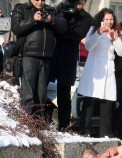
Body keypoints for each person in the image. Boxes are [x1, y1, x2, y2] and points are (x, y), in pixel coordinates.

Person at [11, 0, 67, 118]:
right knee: (28, 93)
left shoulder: (51, 10)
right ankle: (26, 122)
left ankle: (39, 123)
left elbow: (63, 26)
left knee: (42, 94)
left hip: (46, 56)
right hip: (28, 54)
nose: (40, 2)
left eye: (42, 0)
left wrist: (51, 20)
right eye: (37, 0)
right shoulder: (22, 8)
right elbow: (16, 28)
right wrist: (33, 20)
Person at [77, 8, 122, 137]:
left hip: (108, 69)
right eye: (106, 19)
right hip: (94, 68)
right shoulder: (93, 30)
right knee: (90, 100)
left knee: (107, 102)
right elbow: (88, 46)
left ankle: (106, 133)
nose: (109, 22)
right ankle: (84, 131)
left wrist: (115, 39)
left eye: (111, 19)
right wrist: (98, 34)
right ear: (101, 20)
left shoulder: (114, 33)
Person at [49, 0, 92, 131]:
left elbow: (76, 35)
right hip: (52, 53)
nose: (78, 2)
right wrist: (60, 15)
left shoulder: (86, 18)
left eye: (82, 0)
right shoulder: (60, 10)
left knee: (64, 92)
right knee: (41, 87)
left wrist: (60, 25)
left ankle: (64, 125)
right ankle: (39, 120)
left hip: (68, 57)